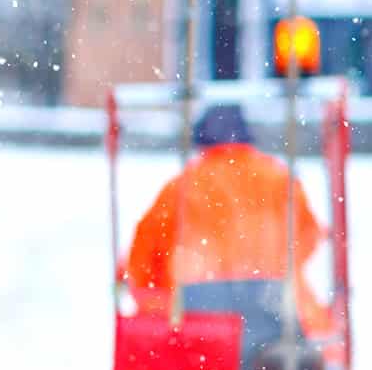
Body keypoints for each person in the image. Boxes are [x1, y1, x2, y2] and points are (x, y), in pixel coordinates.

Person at [122, 102, 333, 346]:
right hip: (277, 321)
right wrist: (265, 269)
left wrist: (157, 300)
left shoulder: (180, 187)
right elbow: (306, 237)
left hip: (200, 330)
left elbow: (143, 261)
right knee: (318, 344)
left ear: (202, 141)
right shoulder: (280, 179)